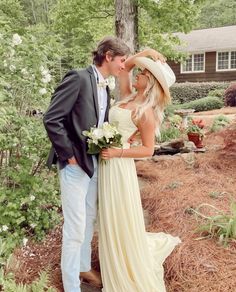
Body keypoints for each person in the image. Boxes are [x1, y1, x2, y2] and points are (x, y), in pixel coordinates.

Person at [43, 36, 130, 292]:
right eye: (122, 60)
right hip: (74, 165)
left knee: (89, 218)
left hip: (93, 163)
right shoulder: (78, 78)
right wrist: (68, 155)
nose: (124, 66)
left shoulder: (104, 85)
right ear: (108, 56)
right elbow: (52, 118)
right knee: (75, 227)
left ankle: (82, 267)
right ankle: (71, 286)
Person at [98, 48, 181, 291]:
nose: (138, 74)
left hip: (119, 165)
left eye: (144, 73)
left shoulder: (146, 112)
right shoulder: (126, 96)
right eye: (142, 71)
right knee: (108, 214)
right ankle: (112, 259)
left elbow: (148, 150)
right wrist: (147, 53)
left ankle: (124, 267)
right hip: (106, 162)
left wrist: (117, 152)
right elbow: (126, 66)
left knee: (119, 213)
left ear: (151, 82)